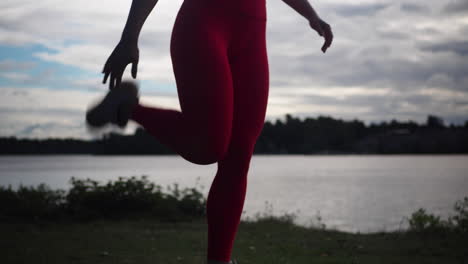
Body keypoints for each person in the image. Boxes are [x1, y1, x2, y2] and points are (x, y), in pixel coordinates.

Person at [86, 0, 333, 262]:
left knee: (238, 158)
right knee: (209, 146)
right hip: (203, 24)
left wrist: (311, 15)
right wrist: (129, 38)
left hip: (252, 35)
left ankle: (219, 260)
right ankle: (127, 109)